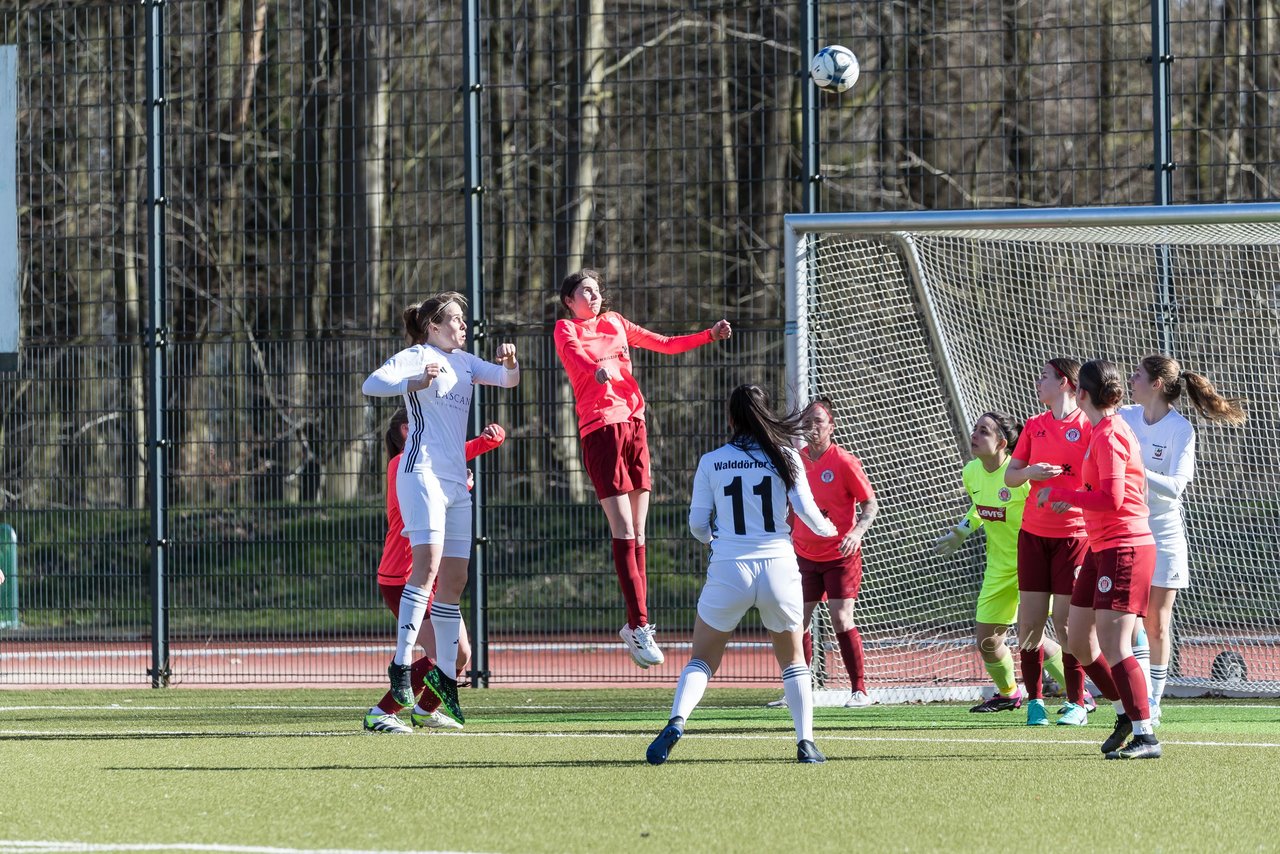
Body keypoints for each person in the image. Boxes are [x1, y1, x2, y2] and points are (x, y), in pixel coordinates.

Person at [645, 384, 838, 765]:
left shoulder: (712, 460)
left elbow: (698, 524)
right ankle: (806, 743)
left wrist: (714, 540)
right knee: (794, 660)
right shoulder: (787, 456)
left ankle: (677, 721)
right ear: (766, 414)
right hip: (779, 568)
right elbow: (810, 515)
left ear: (730, 418)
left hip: (730, 567)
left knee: (701, 659)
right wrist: (835, 533)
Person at [554, 269, 731, 668]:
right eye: (585, 291)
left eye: (597, 291)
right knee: (625, 530)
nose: (594, 296)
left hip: (635, 426)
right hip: (601, 430)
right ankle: (638, 623)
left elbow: (664, 344)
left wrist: (708, 335)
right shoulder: (566, 328)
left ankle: (638, 625)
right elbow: (579, 358)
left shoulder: (615, 322)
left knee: (641, 532)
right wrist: (595, 370)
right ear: (569, 299)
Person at [362, 291, 520, 724]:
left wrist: (509, 363)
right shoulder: (417, 354)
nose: (463, 326)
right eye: (455, 319)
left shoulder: (466, 363)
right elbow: (371, 384)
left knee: (455, 579)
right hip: (423, 471)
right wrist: (412, 382)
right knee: (427, 566)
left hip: (455, 481)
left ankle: (444, 687)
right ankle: (400, 665)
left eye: (464, 320)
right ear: (433, 325)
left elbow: (508, 381)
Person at [1039, 359, 1160, 759]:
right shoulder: (1100, 431)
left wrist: (1063, 496)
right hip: (1101, 546)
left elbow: (1110, 499)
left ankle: (1146, 734)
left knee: (1115, 644)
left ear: (1083, 394)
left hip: (1124, 546)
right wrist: (1070, 496)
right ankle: (1125, 711)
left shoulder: (1108, 434)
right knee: (1076, 638)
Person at [362, 408, 506, 734]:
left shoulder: (427, 468)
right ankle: (380, 713)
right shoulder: (401, 466)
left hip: (432, 580)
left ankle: (425, 711)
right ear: (405, 430)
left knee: (460, 655)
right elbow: (425, 508)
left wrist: (485, 444)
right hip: (403, 579)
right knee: (440, 652)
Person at [1120, 355, 1245, 724]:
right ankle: (1137, 696)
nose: (1131, 379)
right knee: (1128, 619)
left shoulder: (1180, 430)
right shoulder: (1124, 417)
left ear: (1157, 383)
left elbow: (1175, 488)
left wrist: (1135, 470)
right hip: (1127, 530)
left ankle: (1154, 702)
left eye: (1138, 375)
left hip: (1164, 533)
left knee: (1157, 622)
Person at [1000, 358, 1094, 726]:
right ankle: (1035, 701)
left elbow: (1099, 479)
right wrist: (1030, 473)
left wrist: (1071, 497)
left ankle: (1076, 702)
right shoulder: (1035, 426)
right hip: (1033, 535)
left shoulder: (1087, 426)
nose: (1038, 382)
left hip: (1073, 536)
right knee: (1030, 623)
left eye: (1045, 377)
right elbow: (1010, 476)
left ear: (1067, 384)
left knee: (1067, 623)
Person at [935, 412, 1030, 712]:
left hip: (1033, 564)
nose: (975, 435)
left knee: (1036, 638)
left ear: (1002, 442)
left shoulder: (1021, 476)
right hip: (999, 568)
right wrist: (961, 530)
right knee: (987, 642)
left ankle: (1077, 695)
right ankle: (1009, 693)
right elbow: (980, 506)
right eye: (975, 429)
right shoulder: (971, 472)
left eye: (984, 432)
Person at [789, 396, 879, 707]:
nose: (811, 427)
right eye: (807, 421)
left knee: (841, 618)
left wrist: (856, 533)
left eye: (818, 421)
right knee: (796, 621)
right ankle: (800, 691)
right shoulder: (795, 461)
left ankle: (859, 690)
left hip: (840, 557)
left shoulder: (844, 462)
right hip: (803, 555)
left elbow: (870, 504)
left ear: (832, 427)